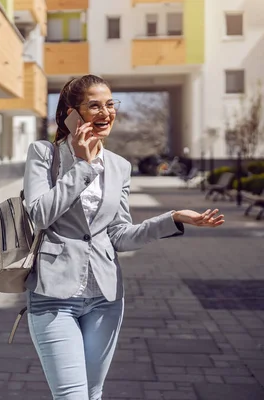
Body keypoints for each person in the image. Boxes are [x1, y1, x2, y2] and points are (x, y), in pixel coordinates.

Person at [22, 75, 224, 400]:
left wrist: (171, 219)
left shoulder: (119, 166)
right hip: (54, 295)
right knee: (72, 397)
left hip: (106, 297)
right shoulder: (45, 154)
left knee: (92, 393)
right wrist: (84, 166)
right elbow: (40, 214)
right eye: (95, 106)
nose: (106, 112)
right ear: (72, 114)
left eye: (110, 104)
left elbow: (119, 235)